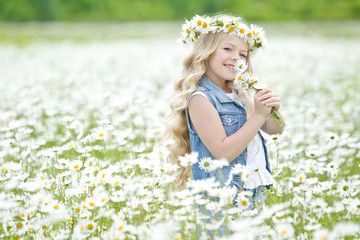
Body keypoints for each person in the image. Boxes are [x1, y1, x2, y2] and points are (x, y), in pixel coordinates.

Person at [164, 14, 284, 209]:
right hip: (225, 199)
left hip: (257, 188)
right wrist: (259, 115)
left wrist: (273, 111)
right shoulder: (200, 99)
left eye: (243, 54)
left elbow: (275, 130)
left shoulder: (241, 93)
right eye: (227, 49)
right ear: (206, 52)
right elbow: (223, 152)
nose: (236, 57)